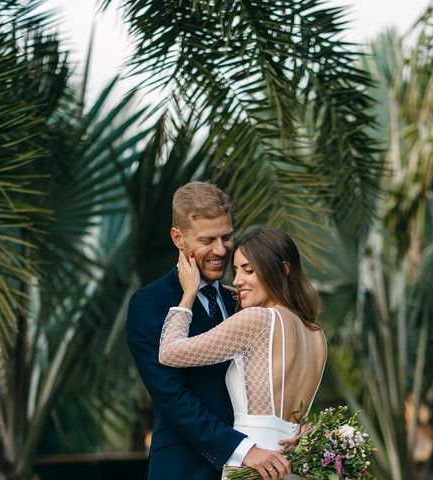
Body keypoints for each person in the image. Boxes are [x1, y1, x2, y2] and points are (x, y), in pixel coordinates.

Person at [127, 182, 294, 480]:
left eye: (227, 237)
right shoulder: (149, 304)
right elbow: (173, 397)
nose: (221, 250)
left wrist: (290, 426)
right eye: (208, 240)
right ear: (178, 238)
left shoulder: (241, 300)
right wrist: (244, 449)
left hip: (258, 466)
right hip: (186, 468)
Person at [158, 227, 328, 480]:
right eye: (236, 270)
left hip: (255, 465)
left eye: (249, 270)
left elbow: (169, 352)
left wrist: (189, 294)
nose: (237, 280)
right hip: (293, 466)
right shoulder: (316, 334)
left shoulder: (258, 319)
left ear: (283, 270)